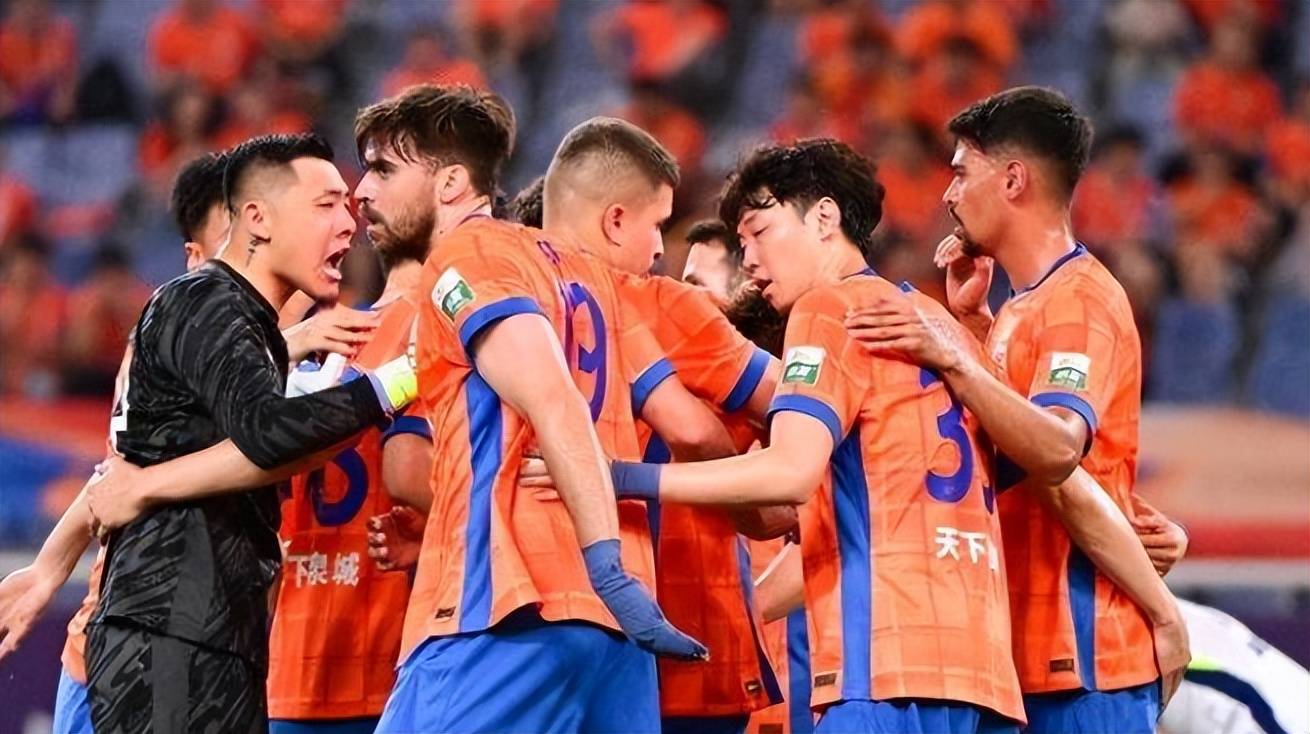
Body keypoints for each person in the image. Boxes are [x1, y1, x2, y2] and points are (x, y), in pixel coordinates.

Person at [592, 138, 1027, 733]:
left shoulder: (827, 309)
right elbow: (1029, 460)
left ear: (824, 217)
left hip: (882, 664)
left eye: (759, 232)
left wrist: (620, 477)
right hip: (981, 668)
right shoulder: (933, 323)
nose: (749, 260)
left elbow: (790, 472)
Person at [341, 84, 702, 734]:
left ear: (452, 183)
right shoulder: (587, 274)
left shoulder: (467, 257)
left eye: (384, 170)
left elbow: (551, 397)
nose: (362, 191)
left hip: (508, 609)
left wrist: (605, 565)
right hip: (611, 636)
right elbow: (688, 425)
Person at [844, 86, 1189, 733]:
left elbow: (1058, 450)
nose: (949, 195)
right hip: (1020, 657)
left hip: (1085, 658)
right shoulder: (1021, 308)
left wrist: (955, 355)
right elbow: (1017, 447)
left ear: (1012, 180)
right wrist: (975, 325)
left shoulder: (1080, 300)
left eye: (961, 172)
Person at [81, 134, 417, 734]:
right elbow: (267, 432)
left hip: (215, 632)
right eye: (325, 205)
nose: (348, 223)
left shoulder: (242, 323)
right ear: (258, 219)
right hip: (169, 628)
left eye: (346, 206)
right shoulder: (205, 298)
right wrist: (396, 382)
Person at [541, 117, 789, 734]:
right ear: (615, 220)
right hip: (686, 629)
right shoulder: (663, 306)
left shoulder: (509, 298)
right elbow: (806, 402)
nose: (659, 250)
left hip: (537, 624)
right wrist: (757, 500)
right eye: (656, 225)